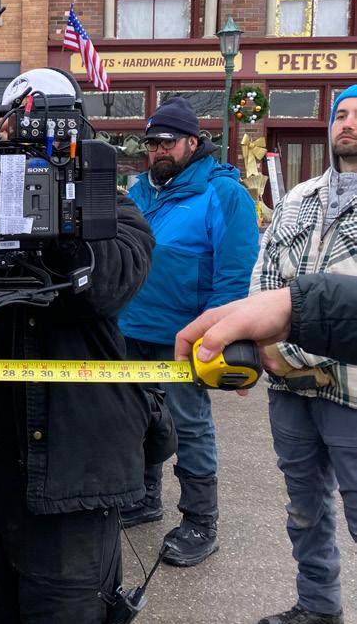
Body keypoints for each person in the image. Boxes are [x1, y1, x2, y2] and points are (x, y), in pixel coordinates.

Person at [0, 195, 164, 623]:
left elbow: (111, 284)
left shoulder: (106, 204)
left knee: (67, 611)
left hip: (72, 480)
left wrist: (53, 207)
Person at [117, 97, 259, 567]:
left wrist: (217, 335)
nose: (158, 150)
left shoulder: (224, 194)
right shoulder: (140, 191)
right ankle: (143, 496)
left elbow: (233, 276)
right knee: (137, 417)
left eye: (168, 141)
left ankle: (201, 520)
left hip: (185, 337)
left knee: (189, 425)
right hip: (130, 328)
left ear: (193, 143)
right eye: (151, 142)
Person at [245, 86, 357, 624]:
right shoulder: (298, 197)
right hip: (287, 386)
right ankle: (318, 607)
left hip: (350, 388)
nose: (348, 123)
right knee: (304, 508)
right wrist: (269, 350)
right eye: (341, 114)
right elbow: (264, 274)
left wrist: (287, 346)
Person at [175, 273, 357, 368]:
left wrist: (291, 306)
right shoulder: (286, 211)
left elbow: (234, 270)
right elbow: (263, 277)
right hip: (282, 380)